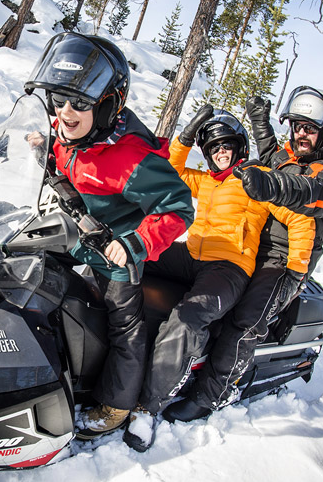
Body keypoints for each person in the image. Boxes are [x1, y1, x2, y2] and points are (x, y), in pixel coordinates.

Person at [24, 32, 195, 439]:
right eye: (59, 99)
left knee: (125, 326)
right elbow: (69, 159)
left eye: (80, 104)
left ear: (105, 106)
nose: (65, 112)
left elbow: (179, 208)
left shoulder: (132, 158)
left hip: (117, 253)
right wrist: (45, 148)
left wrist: (135, 243)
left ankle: (116, 405)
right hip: (77, 233)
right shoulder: (73, 133)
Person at [126, 105, 316, 450]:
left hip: (228, 268)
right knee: (130, 252)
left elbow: (301, 219)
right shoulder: (207, 181)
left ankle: (147, 408)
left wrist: (297, 270)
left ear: (240, 148)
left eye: (227, 145)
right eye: (214, 148)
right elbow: (170, 169)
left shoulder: (255, 180)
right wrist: (186, 137)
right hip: (190, 256)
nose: (221, 152)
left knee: (187, 318)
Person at [166, 86, 323, 423]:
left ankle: (213, 394)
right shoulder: (288, 156)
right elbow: (268, 154)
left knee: (246, 320)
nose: (301, 134)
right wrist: (259, 120)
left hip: (286, 259)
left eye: (310, 128)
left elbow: (313, 192)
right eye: (297, 126)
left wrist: (273, 186)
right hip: (252, 247)